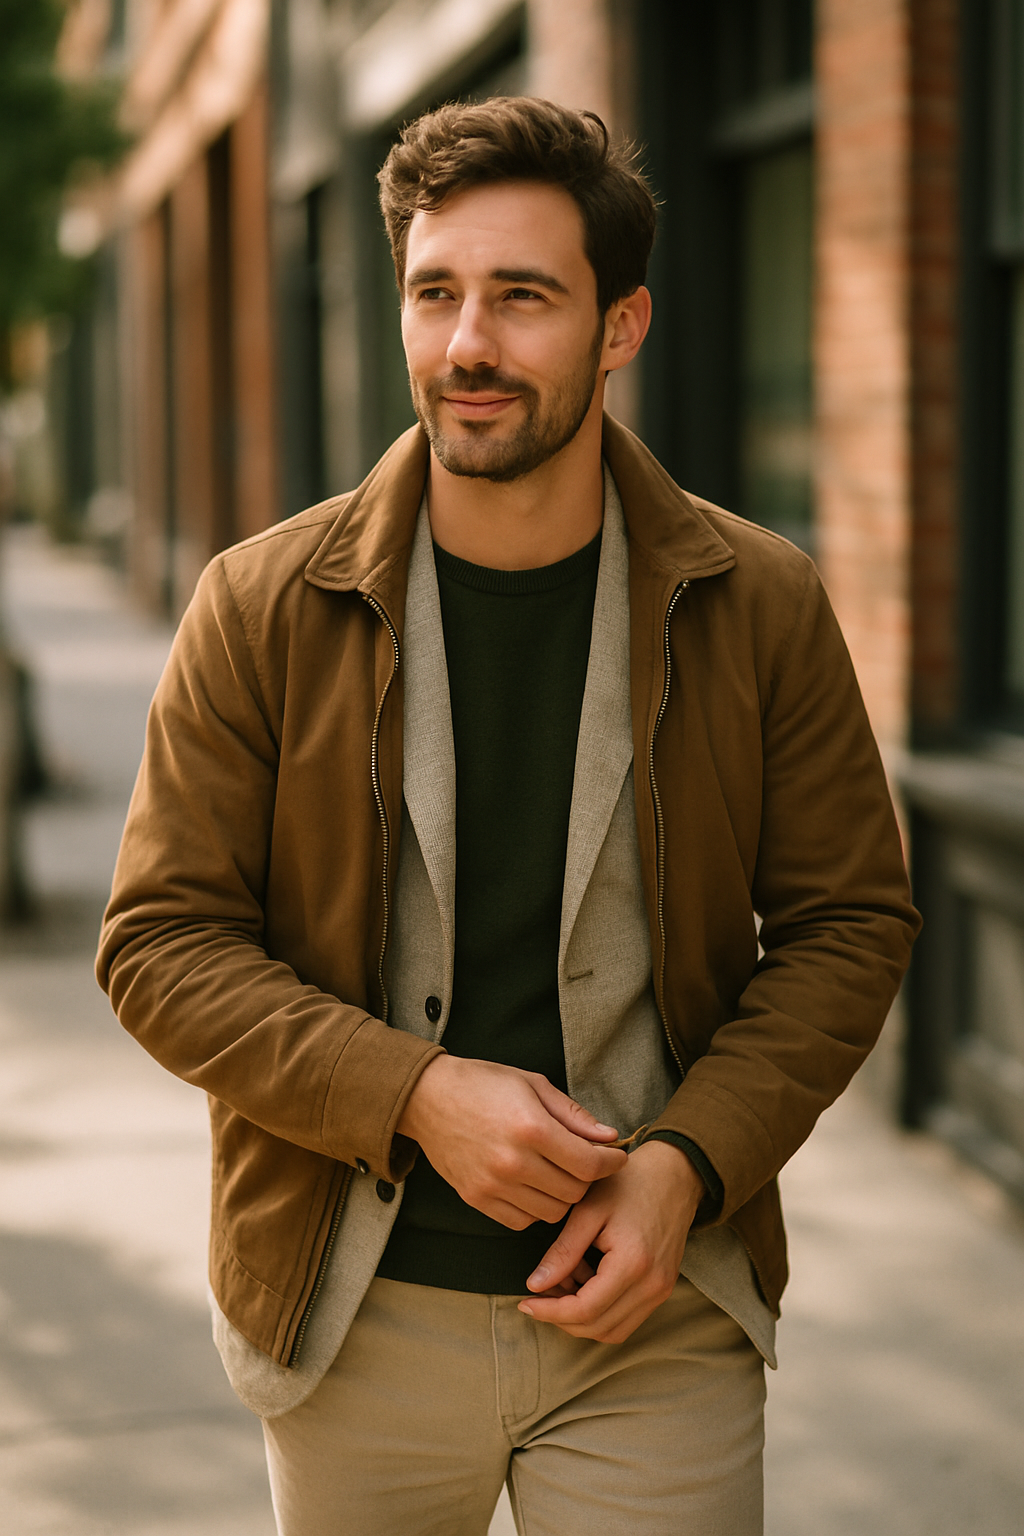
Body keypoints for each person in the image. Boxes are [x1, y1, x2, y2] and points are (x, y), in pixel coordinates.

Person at [97, 96, 920, 1536]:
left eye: (523, 297)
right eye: (436, 293)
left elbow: (850, 925)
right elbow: (160, 944)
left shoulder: (762, 603)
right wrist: (412, 1093)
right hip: (351, 1316)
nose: (467, 343)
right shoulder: (258, 607)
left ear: (620, 326)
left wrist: (687, 1167)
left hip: (658, 1313)